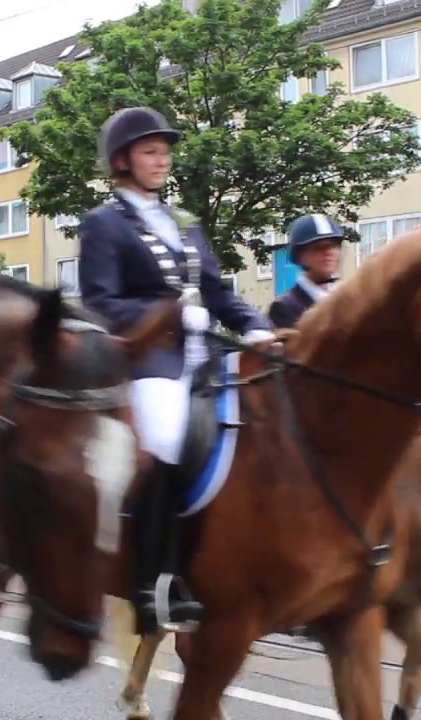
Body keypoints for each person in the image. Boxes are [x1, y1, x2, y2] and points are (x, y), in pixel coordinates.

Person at [77, 106, 275, 634]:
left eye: (165, 152)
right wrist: (164, 314)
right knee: (165, 436)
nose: (162, 160)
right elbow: (99, 303)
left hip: (204, 353)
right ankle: (153, 584)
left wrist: (255, 327)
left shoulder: (184, 222)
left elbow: (217, 292)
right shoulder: (103, 224)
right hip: (147, 359)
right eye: (150, 151)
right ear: (122, 161)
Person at [268, 213, 345, 330]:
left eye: (333, 246)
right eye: (319, 247)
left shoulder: (349, 296)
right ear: (300, 255)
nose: (328, 252)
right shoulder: (285, 307)